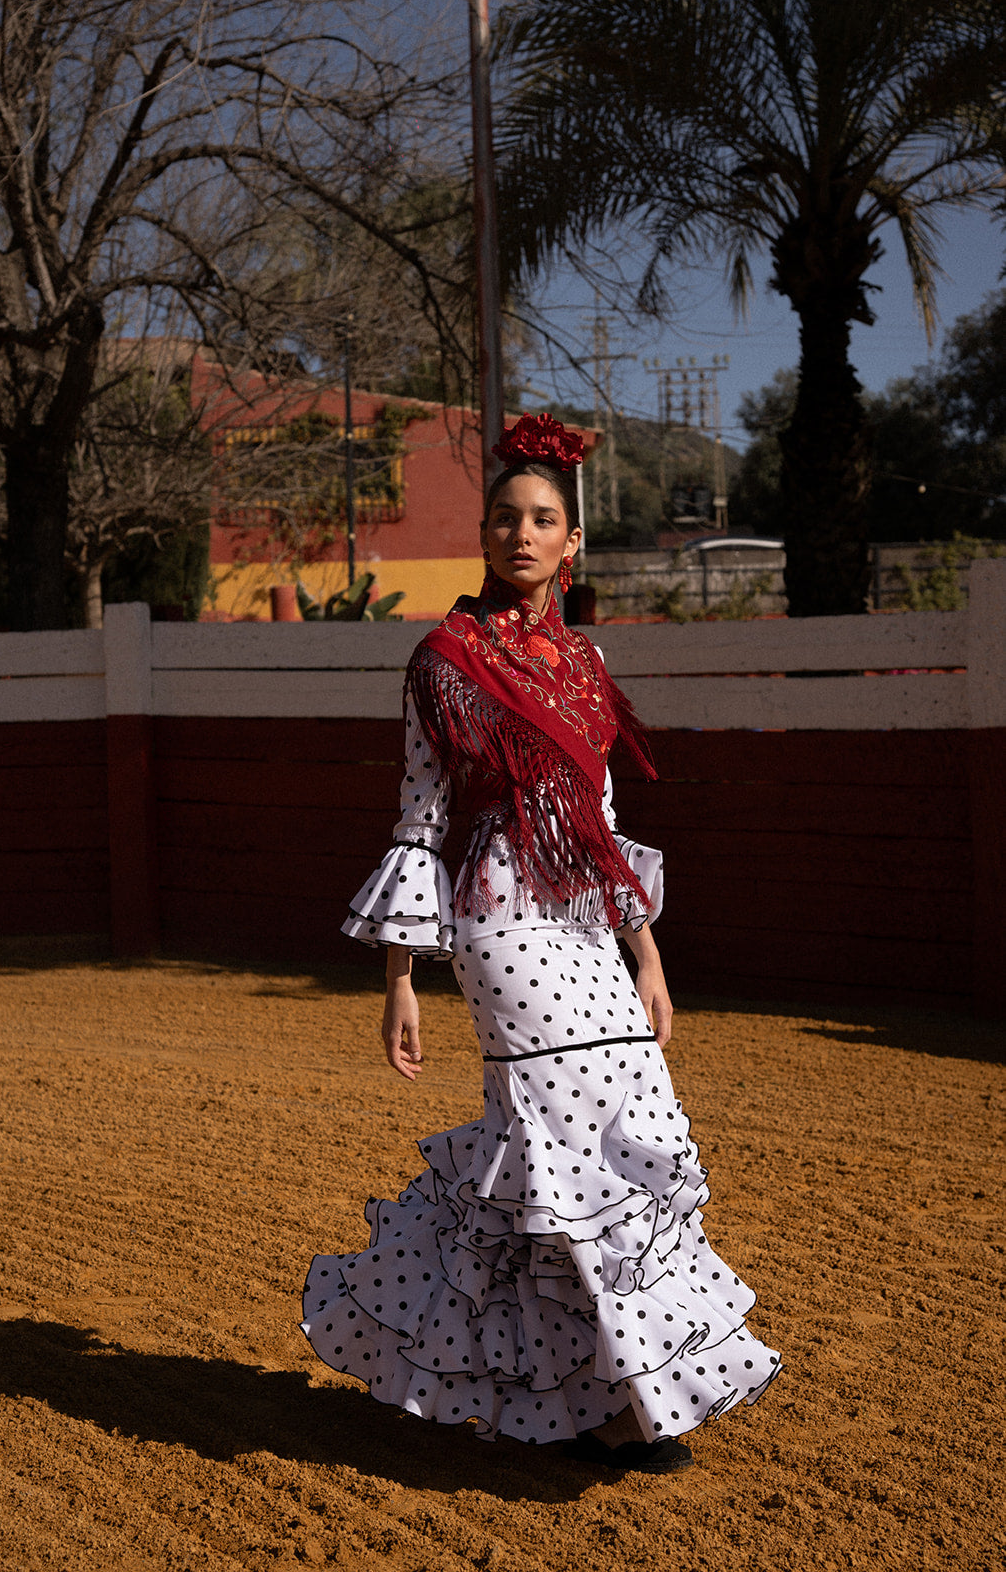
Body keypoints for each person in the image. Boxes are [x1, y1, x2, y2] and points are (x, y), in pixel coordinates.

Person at [301, 413, 780, 1474]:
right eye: (505, 518)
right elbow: (419, 818)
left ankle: (577, 1398)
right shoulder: (441, 658)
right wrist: (400, 981)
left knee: (627, 1130)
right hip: (495, 918)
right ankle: (605, 1408)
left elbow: (599, 824)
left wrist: (646, 955)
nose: (522, 535)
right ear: (484, 533)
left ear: (570, 542)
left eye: (543, 520)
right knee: (558, 1144)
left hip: (581, 922)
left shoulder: (582, 657)